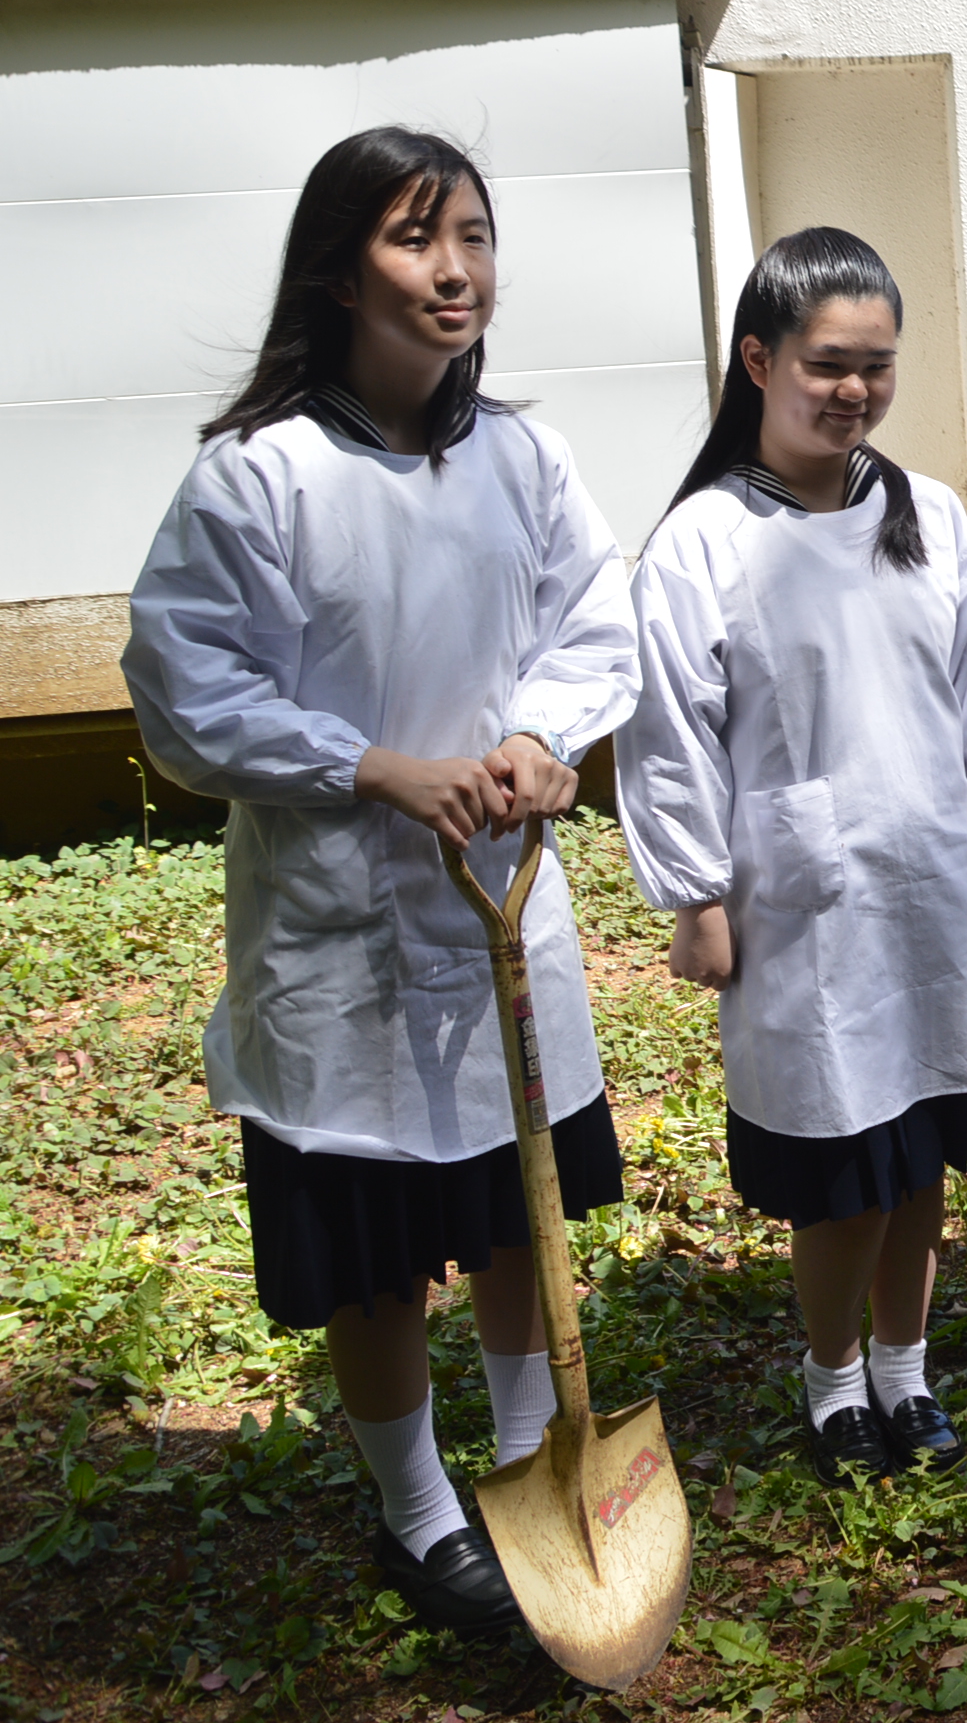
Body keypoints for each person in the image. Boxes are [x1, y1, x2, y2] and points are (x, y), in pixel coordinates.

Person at [122, 127, 637, 1633]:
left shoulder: (522, 456)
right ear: (343, 268)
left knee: (511, 1209)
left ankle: (537, 1457)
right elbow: (182, 688)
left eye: (474, 235)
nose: (456, 269)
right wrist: (373, 766)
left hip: (499, 909)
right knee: (377, 1249)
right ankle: (422, 1513)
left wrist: (543, 736)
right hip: (342, 934)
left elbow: (592, 618)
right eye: (419, 239)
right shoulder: (256, 481)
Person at [617, 228, 967, 1483]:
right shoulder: (702, 541)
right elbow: (668, 731)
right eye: (826, 363)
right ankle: (829, 1373)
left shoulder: (927, 514)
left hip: (933, 878)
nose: (853, 389)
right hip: (800, 897)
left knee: (920, 1150)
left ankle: (904, 1368)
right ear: (759, 359)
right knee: (841, 1165)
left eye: (877, 364)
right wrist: (692, 891)